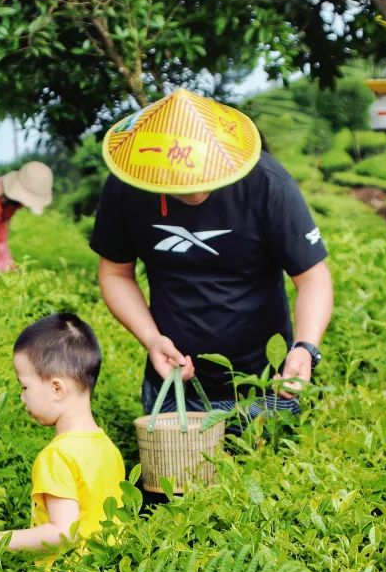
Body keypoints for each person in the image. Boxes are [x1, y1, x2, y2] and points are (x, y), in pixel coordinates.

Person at [89, 88, 334, 425]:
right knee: (173, 463)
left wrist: (305, 348)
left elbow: (312, 277)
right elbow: (115, 273)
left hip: (267, 385)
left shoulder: (266, 183)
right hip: (176, 385)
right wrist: (152, 339)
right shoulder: (128, 186)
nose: (194, 192)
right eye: (179, 181)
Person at [0, 313, 125, 553]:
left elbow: (63, 533)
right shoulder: (107, 448)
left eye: (25, 386)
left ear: (57, 388)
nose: (22, 397)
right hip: (107, 570)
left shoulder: (57, 456)